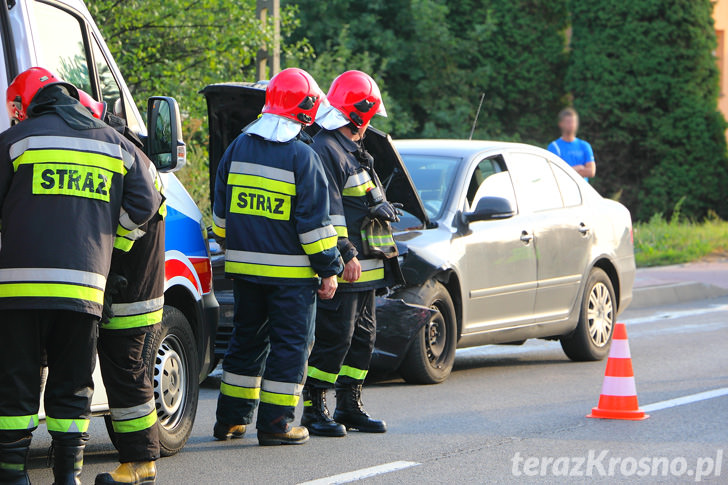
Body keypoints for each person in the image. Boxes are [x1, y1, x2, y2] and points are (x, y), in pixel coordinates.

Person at [0, 67, 160, 484]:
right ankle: (67, 476)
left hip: (18, 290)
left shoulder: (16, 142)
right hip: (84, 288)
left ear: (28, 104)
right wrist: (112, 238)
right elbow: (148, 200)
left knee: (17, 381)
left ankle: (14, 475)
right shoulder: (115, 145)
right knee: (73, 384)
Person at [211, 67, 343, 446]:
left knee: (245, 343)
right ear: (304, 109)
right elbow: (314, 226)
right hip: (291, 277)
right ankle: (277, 425)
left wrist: (228, 242)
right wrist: (329, 269)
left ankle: (231, 421)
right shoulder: (303, 156)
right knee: (290, 347)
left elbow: (221, 213)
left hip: (244, 271)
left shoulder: (237, 146)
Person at [73, 90, 166, 485]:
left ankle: (141, 462)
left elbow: (130, 223)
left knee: (128, 372)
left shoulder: (125, 158)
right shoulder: (131, 154)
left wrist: (107, 260)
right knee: (125, 370)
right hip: (127, 289)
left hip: (131, 295)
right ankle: (138, 458)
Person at [302, 70, 400, 437]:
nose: (369, 124)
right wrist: (344, 252)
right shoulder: (326, 149)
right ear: (359, 113)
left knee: (363, 340)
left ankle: (349, 405)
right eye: (369, 116)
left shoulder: (353, 149)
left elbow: (356, 199)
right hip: (348, 267)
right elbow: (327, 209)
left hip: (367, 271)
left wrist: (381, 204)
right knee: (334, 339)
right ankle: (315, 409)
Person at [547, 107, 596, 181]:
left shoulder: (584, 145)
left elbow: (591, 172)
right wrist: (578, 168)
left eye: (573, 122)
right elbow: (555, 173)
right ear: (561, 124)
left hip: (582, 190)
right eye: (568, 122)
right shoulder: (554, 147)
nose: (571, 125)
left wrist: (567, 171)